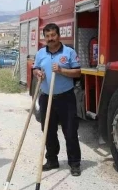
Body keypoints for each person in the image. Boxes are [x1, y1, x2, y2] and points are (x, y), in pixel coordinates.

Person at [32, 23, 83, 176]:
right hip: (46, 97)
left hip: (65, 98)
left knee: (70, 131)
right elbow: (35, 68)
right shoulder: (41, 53)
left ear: (59, 35)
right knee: (48, 130)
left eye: (53, 35)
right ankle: (52, 160)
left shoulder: (69, 52)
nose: (50, 39)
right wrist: (37, 73)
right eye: (47, 36)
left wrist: (61, 70)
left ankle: (74, 163)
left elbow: (78, 72)